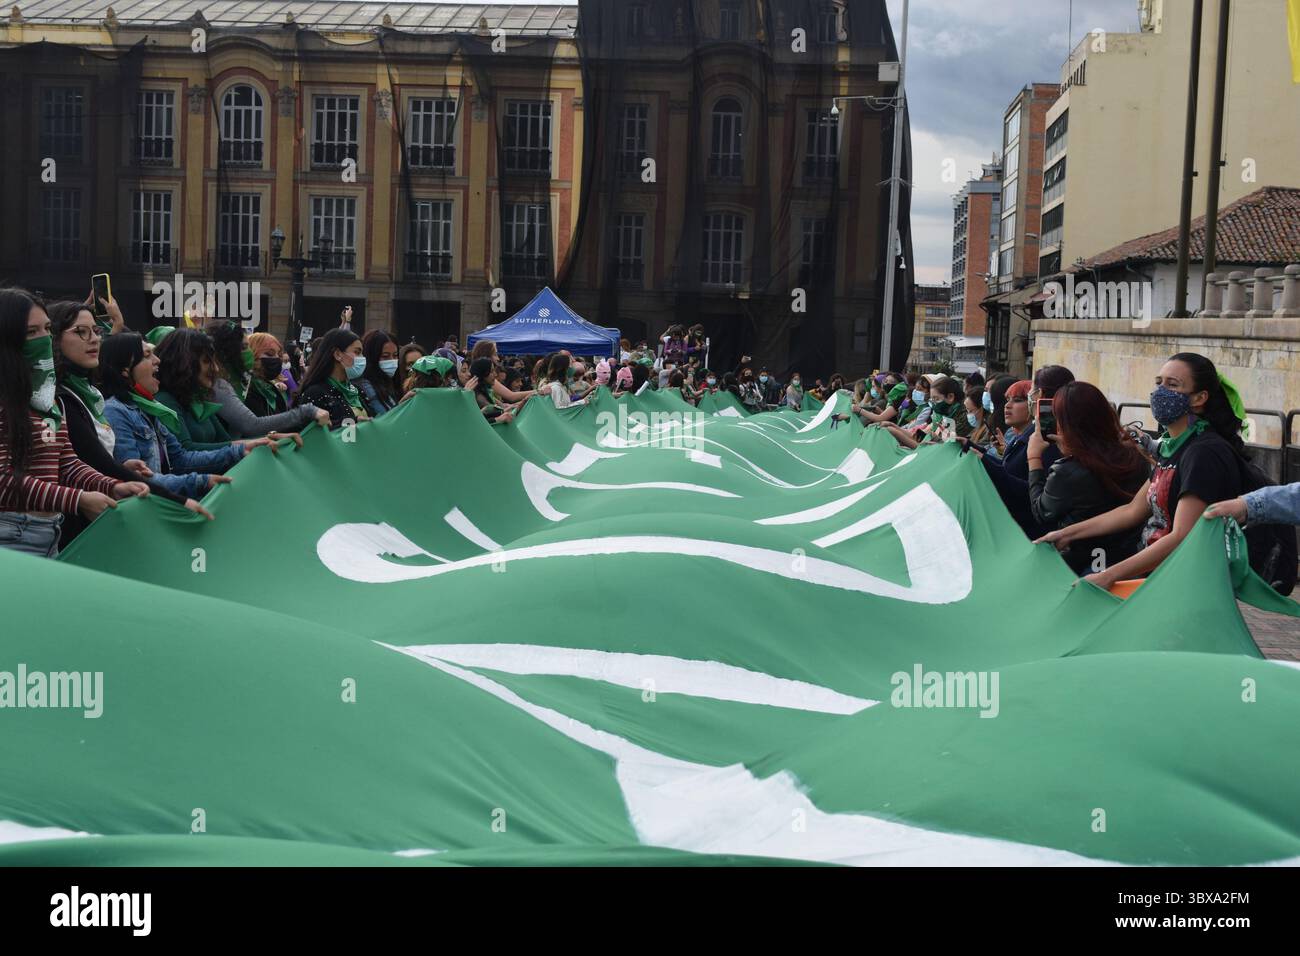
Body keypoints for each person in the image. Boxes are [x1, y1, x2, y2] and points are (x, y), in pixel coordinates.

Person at [1036, 353, 1288, 590]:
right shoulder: (1174, 448)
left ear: (1199, 398)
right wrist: (1065, 534)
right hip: (1159, 576)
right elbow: (1132, 511)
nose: (1160, 392)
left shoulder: (1204, 453)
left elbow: (1181, 536)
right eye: (1159, 383)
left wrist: (1108, 576)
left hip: (1179, 584)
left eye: (1173, 385)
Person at [0, 289, 149, 558]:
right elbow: (3, 480)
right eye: (31, 332)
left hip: (49, 533)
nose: (45, 338)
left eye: (47, 329)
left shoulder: (47, 398)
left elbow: (66, 463)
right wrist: (78, 500)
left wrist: (110, 485)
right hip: (10, 536)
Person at [48, 301, 209, 540]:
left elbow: (84, 464)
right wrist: (179, 499)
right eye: (81, 332)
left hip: (92, 521)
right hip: (69, 532)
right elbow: (95, 466)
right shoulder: (62, 399)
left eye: (96, 331)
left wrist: (120, 469)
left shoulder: (91, 395)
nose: (93, 339)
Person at [100, 331, 250, 504]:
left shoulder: (149, 408)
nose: (157, 360)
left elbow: (179, 458)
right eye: (147, 355)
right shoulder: (116, 412)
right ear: (125, 370)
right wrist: (201, 481)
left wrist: (241, 450)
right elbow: (137, 481)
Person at [1025, 381, 1151, 575]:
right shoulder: (1137, 455)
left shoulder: (1067, 471)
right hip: (1130, 559)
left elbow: (1042, 512)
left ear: (1065, 425)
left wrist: (1033, 458)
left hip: (1080, 562)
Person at [207, 322, 325, 437]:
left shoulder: (264, 387)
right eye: (244, 347)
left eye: (279, 355)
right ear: (227, 352)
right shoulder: (220, 385)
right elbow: (252, 425)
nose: (249, 353)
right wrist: (305, 412)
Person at [295, 328, 371, 429]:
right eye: (357, 352)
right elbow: (312, 434)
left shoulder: (356, 390)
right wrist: (353, 423)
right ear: (338, 354)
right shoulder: (315, 393)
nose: (362, 358)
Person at [356, 330, 401, 418]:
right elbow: (386, 418)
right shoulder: (365, 386)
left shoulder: (390, 382)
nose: (392, 360)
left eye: (395, 355)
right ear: (372, 357)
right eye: (385, 356)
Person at [469, 357, 518, 423]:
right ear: (483, 374)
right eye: (491, 371)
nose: (495, 374)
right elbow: (477, 421)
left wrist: (524, 400)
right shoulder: (477, 397)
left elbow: (504, 407)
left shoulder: (487, 391)